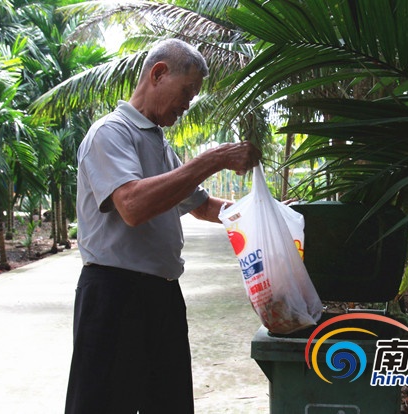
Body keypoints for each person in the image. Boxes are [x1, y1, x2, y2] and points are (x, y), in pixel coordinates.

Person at [64, 38, 262, 414]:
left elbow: (203, 206)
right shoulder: (111, 132)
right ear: (158, 74)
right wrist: (215, 158)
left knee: (167, 402)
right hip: (115, 294)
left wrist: (264, 213)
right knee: (106, 403)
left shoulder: (160, 145)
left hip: (162, 295)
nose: (188, 104)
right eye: (187, 91)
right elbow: (133, 205)